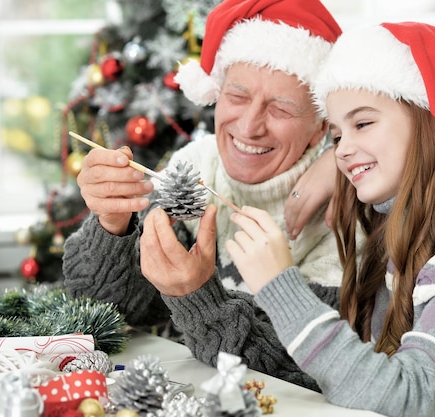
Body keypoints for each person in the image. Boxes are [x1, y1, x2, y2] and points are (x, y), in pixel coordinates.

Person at [226, 22, 435, 416]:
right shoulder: (386, 235)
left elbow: (409, 399)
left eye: (362, 123)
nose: (342, 151)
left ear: (431, 124)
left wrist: (279, 287)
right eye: (338, 135)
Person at [62, 0, 346, 390]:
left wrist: (197, 296)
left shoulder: (346, 208)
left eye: (280, 109)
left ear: (320, 128)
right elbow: (104, 313)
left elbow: (307, 373)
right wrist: (114, 224)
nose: (248, 126)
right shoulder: (195, 167)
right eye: (238, 97)